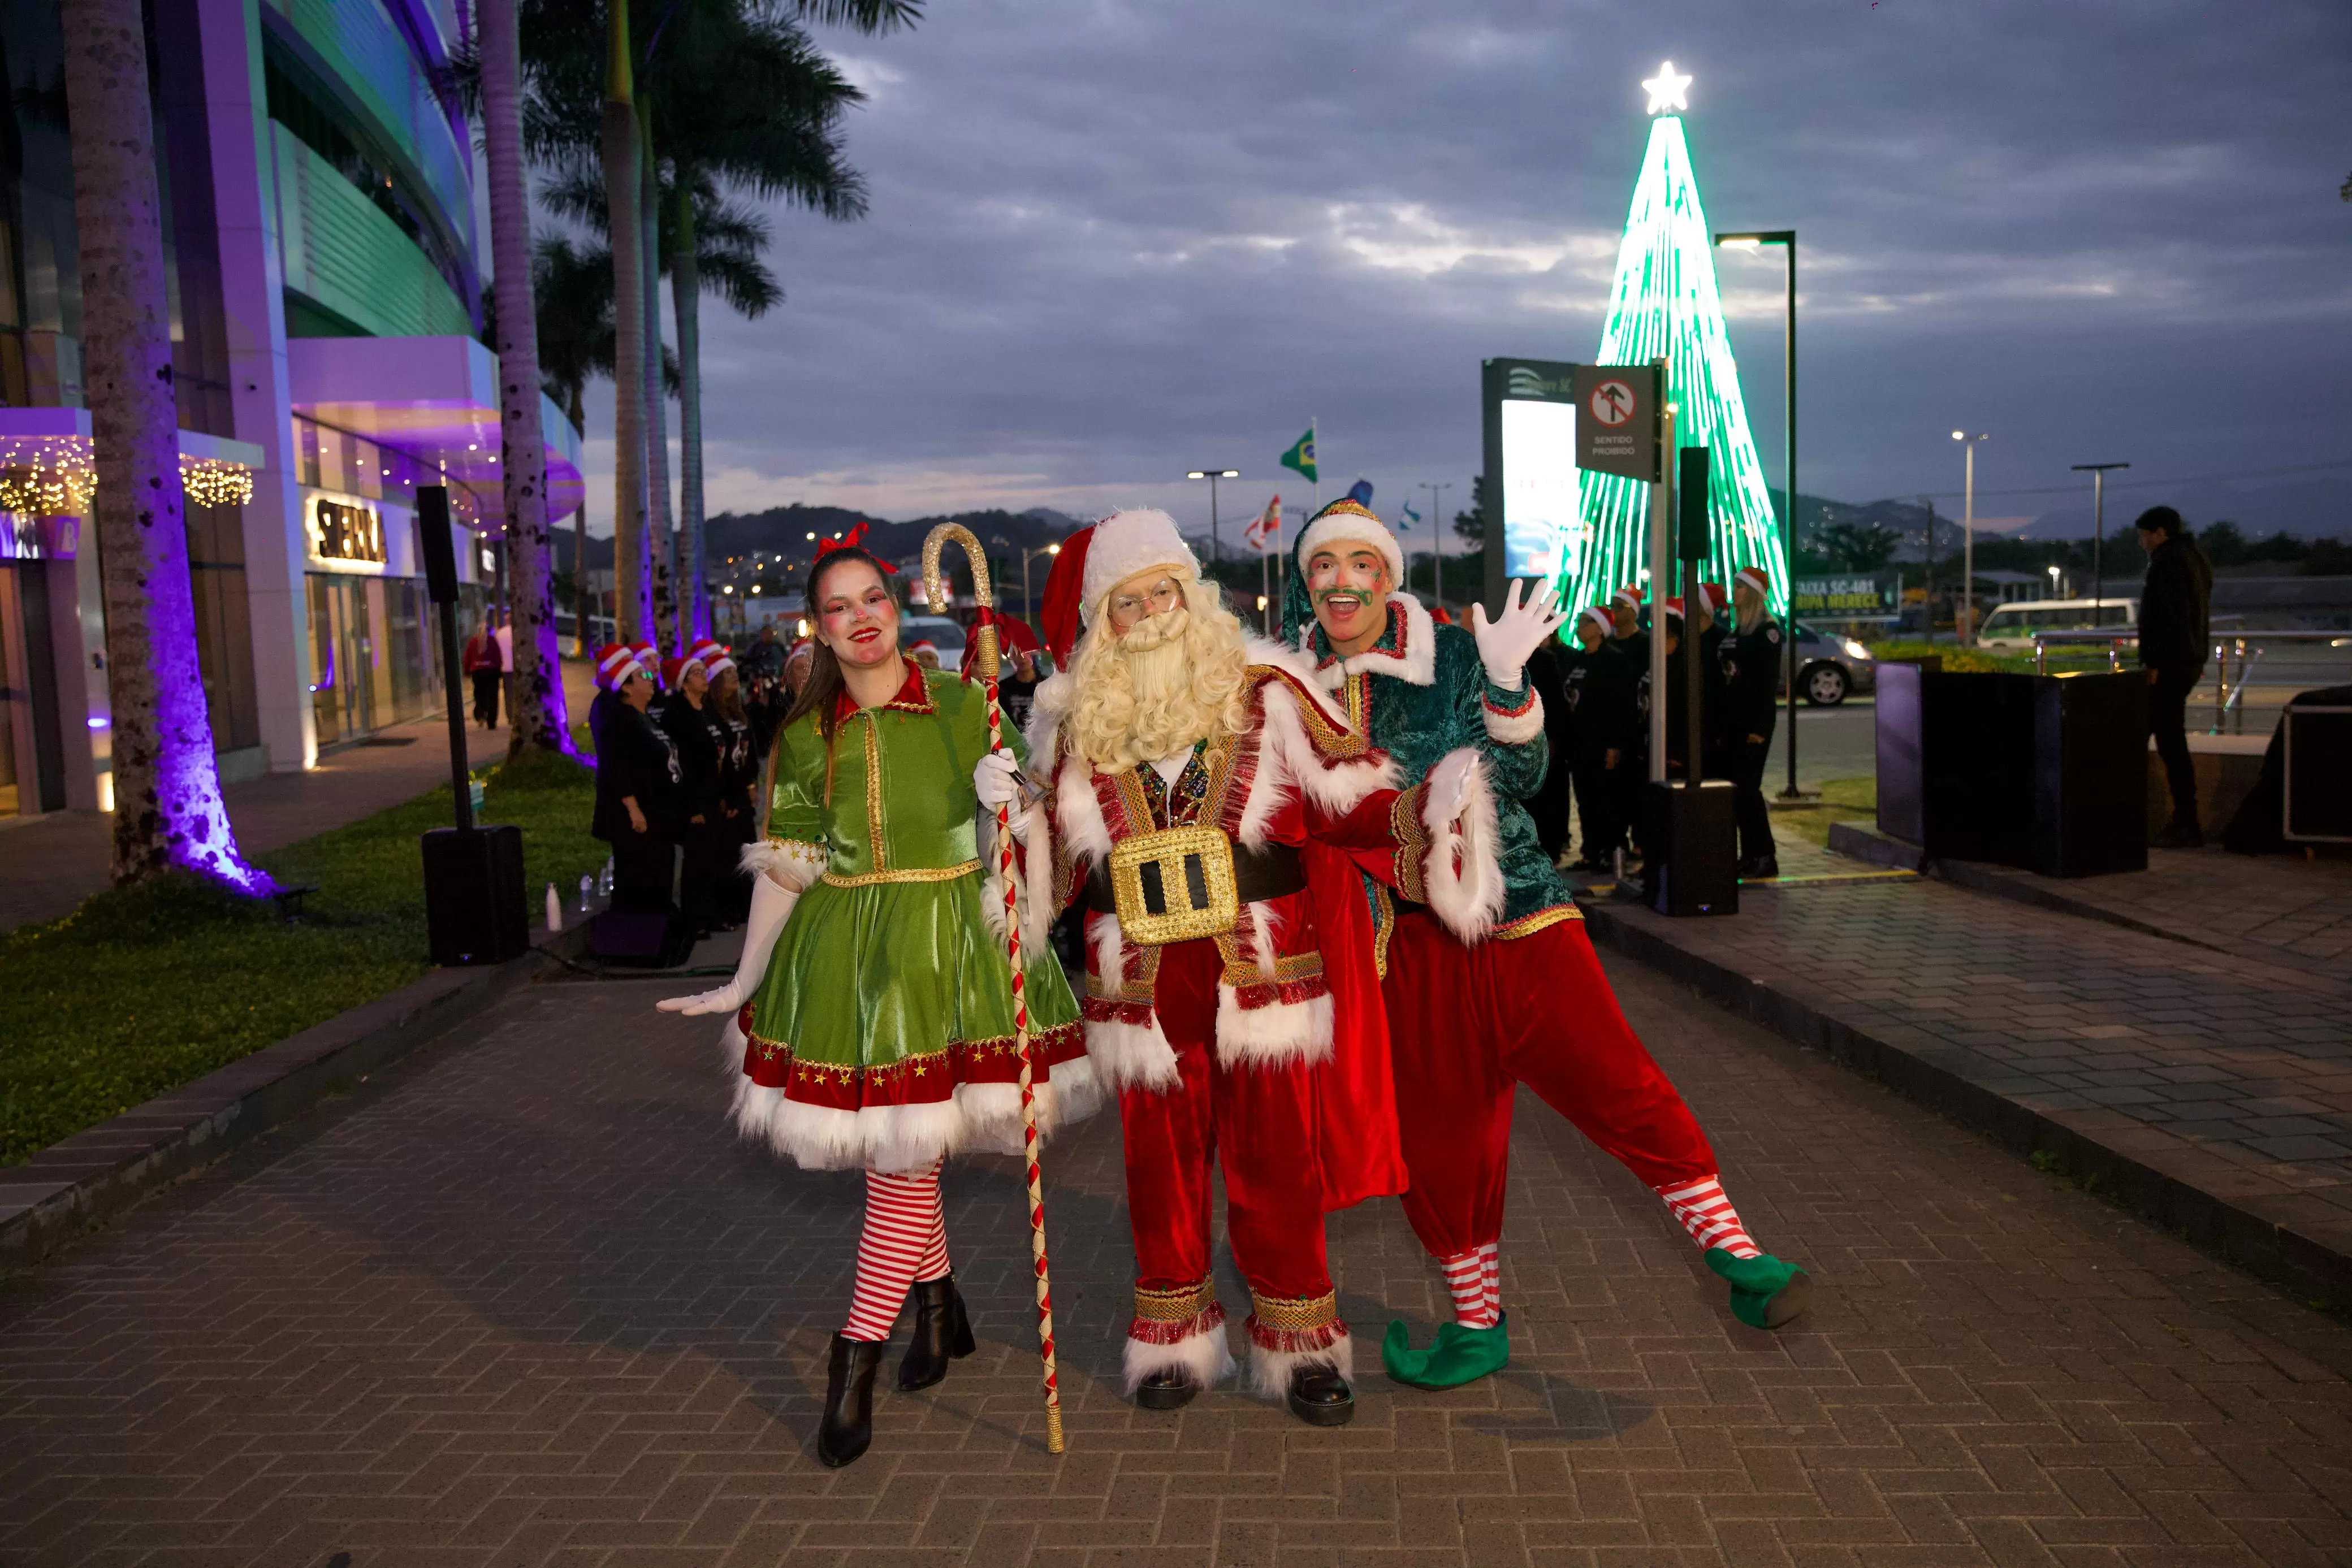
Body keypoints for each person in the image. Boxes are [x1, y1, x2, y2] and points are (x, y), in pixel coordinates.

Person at [1283, 503, 1810, 1394]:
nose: (1342, 581)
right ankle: (1476, 1325)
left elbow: (1524, 779)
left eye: (1360, 563)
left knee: (1616, 1079)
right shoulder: (1292, 687)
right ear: (1307, 580)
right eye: (1324, 564)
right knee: (1443, 1147)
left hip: (1518, 914)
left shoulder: (1449, 654)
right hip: (1401, 950)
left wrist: (1504, 688)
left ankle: (1740, 1256)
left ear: (1388, 575)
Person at [1025, 508, 1488, 1427]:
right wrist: (1011, 825)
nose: (1151, 612)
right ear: (1103, 624)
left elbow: (1349, 801)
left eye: (1165, 591)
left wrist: (1430, 811)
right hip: (1140, 981)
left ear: (1193, 600)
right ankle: (1172, 1328)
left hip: (1264, 968)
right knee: (1158, 1162)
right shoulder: (1081, 724)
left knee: (1277, 1160)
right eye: (1128, 601)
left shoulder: (1270, 688)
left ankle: (1300, 1343)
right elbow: (1064, 870)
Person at [656, 542, 1095, 1470]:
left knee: (900, 1160)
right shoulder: (807, 736)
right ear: (820, 625)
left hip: (951, 954)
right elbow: (792, 861)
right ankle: (938, 1306)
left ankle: (853, 1356)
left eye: (875, 599)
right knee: (902, 1153)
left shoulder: (967, 703)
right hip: (854, 962)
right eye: (840, 605)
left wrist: (1003, 801)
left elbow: (1029, 831)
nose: (863, 617)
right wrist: (743, 979)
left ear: (896, 609)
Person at [2136, 506, 2213, 848]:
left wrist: (2152, 662)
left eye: (2145, 535)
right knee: (2169, 740)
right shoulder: (2195, 559)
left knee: (2162, 740)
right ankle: (2185, 820)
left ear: (2161, 532)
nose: (2143, 543)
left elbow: (2162, 616)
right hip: (2189, 660)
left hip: (2168, 665)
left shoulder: (2167, 563)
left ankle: (2184, 821)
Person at [590, 645, 681, 913]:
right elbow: (618, 766)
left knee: (659, 875)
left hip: (659, 813)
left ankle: (659, 935)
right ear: (627, 688)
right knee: (638, 879)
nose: (651, 680)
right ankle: (636, 940)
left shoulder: (645, 719)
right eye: (644, 677)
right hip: (638, 817)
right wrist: (633, 808)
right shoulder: (620, 719)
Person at [1718, 567, 1784, 879]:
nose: (1735, 594)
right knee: (1738, 792)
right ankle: (1749, 854)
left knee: (1750, 790)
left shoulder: (1767, 632)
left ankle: (1765, 856)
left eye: (1740, 588)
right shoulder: (1737, 631)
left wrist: (1760, 728)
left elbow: (1767, 685)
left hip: (1753, 725)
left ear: (1754, 592)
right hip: (1732, 722)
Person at [660, 650, 730, 938]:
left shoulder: (707, 709)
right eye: (698, 673)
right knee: (696, 861)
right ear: (684, 682)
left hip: (714, 792)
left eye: (705, 672)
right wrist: (693, 806)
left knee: (714, 857)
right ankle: (694, 918)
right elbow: (682, 762)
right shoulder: (677, 714)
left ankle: (712, 913)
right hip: (693, 796)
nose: (705, 678)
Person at [1564, 606, 1639, 870]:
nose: (1580, 626)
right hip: (1579, 743)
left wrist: (1615, 744)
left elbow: (1623, 705)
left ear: (1599, 628)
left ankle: (1612, 850)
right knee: (1586, 800)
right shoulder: (1577, 660)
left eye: (1585, 622)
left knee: (1608, 798)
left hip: (1603, 742)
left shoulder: (1614, 661)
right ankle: (1591, 851)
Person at [701, 642, 759, 925]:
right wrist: (729, 797)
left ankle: (745, 905)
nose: (734, 678)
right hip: (727, 795)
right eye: (727, 674)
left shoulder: (740, 711)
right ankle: (726, 907)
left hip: (743, 793)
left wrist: (751, 785)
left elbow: (749, 755)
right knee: (726, 855)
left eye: (735, 673)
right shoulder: (711, 714)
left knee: (746, 851)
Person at [463, 617, 504, 729]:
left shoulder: (473, 642)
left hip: (478, 672)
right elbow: (498, 658)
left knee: (479, 695)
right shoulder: (493, 641)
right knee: (493, 697)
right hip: (492, 672)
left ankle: (480, 714)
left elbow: (467, 658)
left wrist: (467, 670)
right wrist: (498, 669)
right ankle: (491, 722)